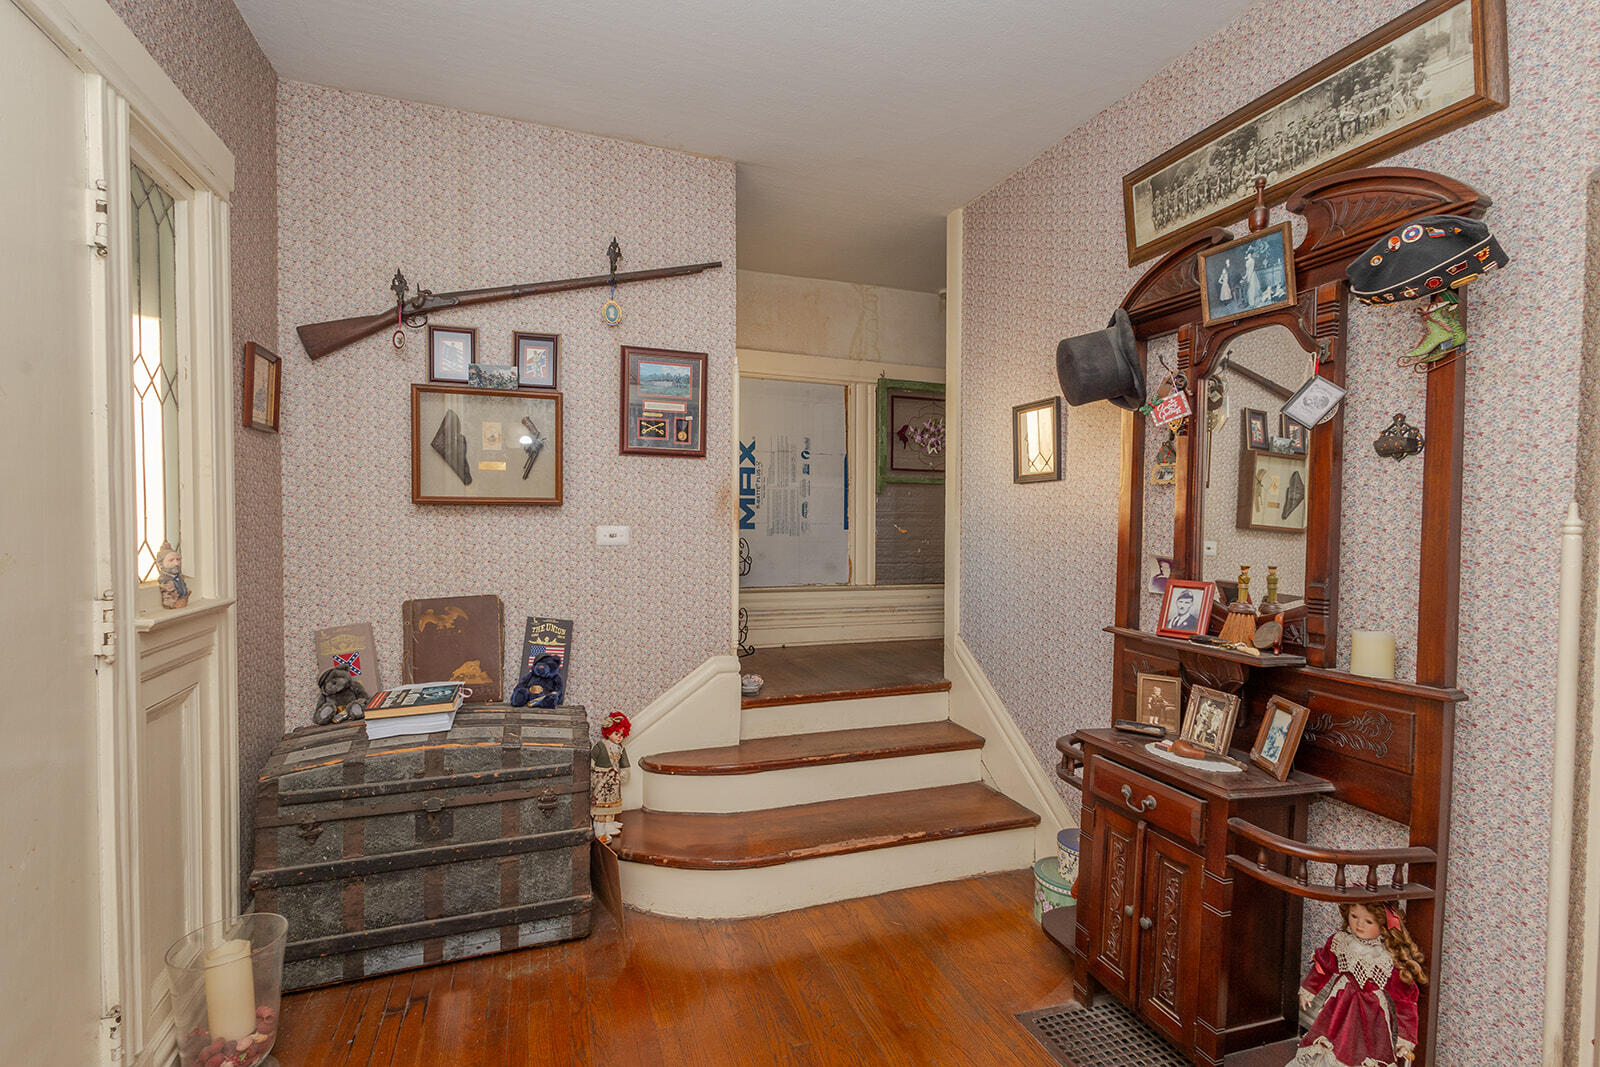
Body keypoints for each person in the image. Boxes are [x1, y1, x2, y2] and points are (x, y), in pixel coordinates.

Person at [1294, 901, 1426, 1066]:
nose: (1359, 925)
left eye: (1368, 921)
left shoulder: (1387, 957)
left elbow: (1404, 1001)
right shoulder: (1342, 942)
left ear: (1384, 925)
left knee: (1366, 1049)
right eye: (1354, 916)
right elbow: (1324, 965)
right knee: (1334, 1039)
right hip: (1341, 1004)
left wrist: (1405, 1036)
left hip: (1372, 1012)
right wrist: (1309, 989)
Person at [590, 711, 632, 841]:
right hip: (602, 780)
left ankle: (609, 823)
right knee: (601, 804)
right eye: (616, 734)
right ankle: (599, 829)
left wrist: (625, 772)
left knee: (612, 803)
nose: (619, 737)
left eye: (621, 735)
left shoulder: (620, 748)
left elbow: (624, 762)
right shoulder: (601, 746)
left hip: (613, 780)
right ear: (608, 732)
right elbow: (591, 760)